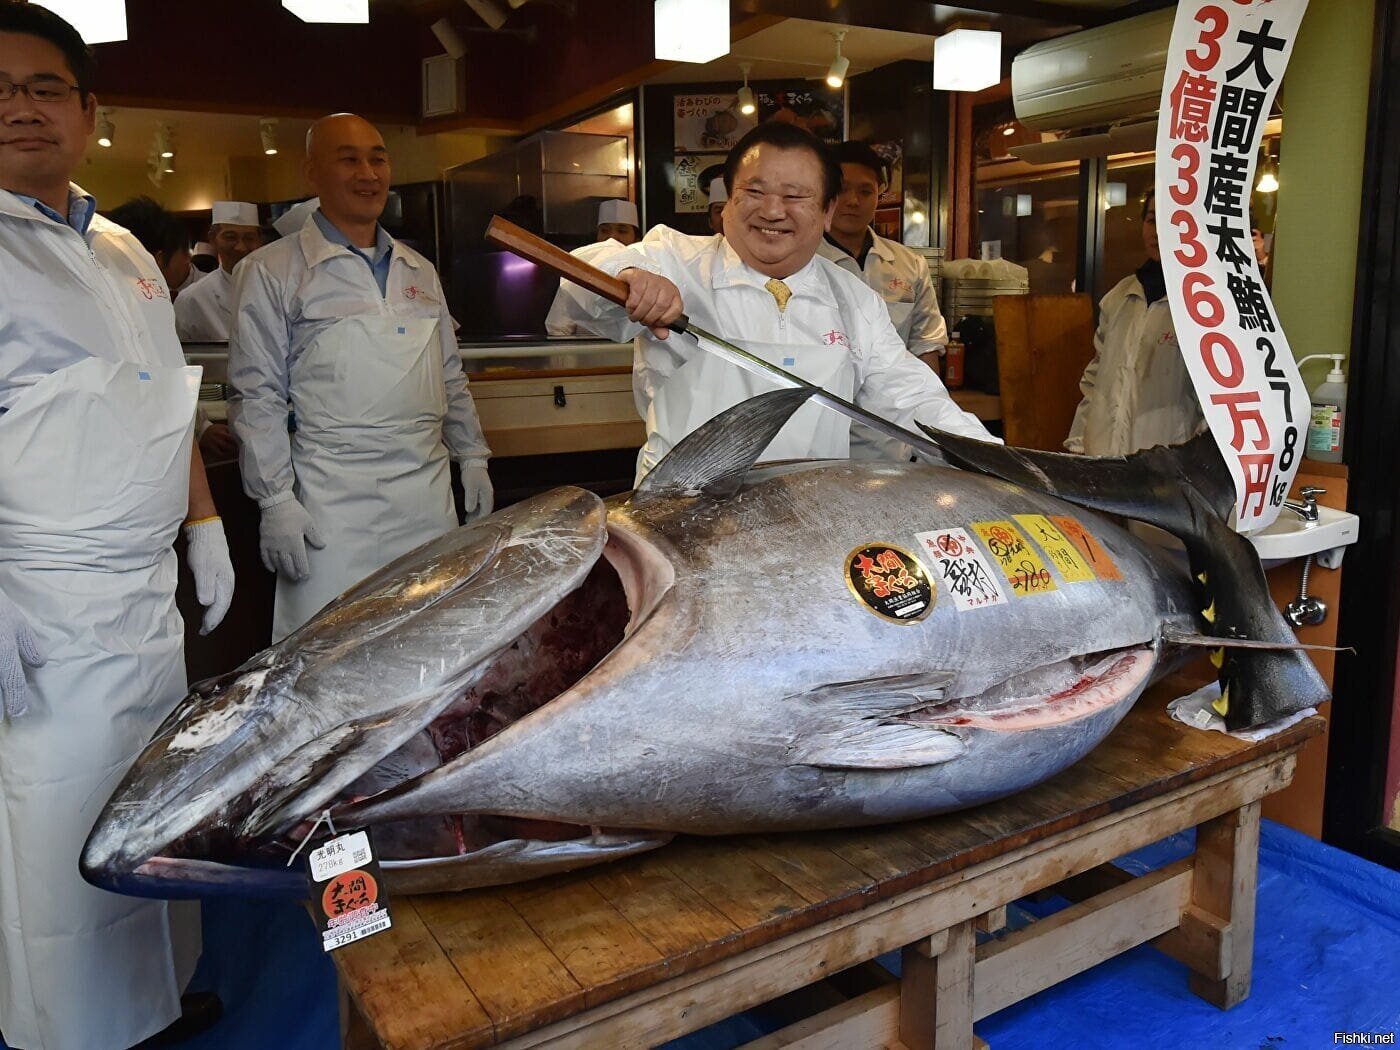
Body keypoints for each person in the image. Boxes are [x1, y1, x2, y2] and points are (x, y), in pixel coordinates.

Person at [0, 5, 233, 1048]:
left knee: (150, 804)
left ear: (88, 110)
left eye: (43, 86)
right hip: (37, 601)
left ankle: (159, 1001)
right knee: (57, 830)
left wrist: (204, 524)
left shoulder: (126, 246)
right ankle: (80, 1034)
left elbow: (161, 401)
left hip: (144, 597)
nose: (19, 108)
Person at [561, 121, 994, 482]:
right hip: (681, 512)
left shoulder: (853, 298)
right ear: (727, 202)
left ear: (826, 213)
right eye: (753, 192)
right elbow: (580, 282)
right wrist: (630, 278)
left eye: (794, 196)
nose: (771, 211)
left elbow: (912, 397)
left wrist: (997, 464)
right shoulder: (676, 258)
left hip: (808, 514)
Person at [229, 113, 492, 641]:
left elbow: (448, 374)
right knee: (329, 648)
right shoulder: (270, 270)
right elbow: (255, 394)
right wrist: (275, 500)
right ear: (312, 173)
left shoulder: (418, 269)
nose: (368, 172)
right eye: (348, 159)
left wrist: (473, 455)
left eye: (378, 157)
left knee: (426, 641)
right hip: (331, 499)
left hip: (426, 492)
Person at [818, 141, 950, 459]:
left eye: (865, 191)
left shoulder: (909, 264)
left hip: (895, 433)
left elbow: (925, 346)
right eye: (841, 190)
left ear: (881, 193)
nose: (852, 201)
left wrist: (928, 424)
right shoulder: (802, 263)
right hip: (825, 428)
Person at [1065, 190, 1204, 456]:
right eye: (1152, 220)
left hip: (1165, 462)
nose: (1157, 231)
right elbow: (1095, 380)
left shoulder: (1202, 306)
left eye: (1171, 222)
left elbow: (1213, 404)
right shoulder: (1118, 296)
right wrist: (1079, 444)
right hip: (1104, 456)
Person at [544, 198, 643, 337]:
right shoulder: (580, 269)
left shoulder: (648, 272)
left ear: (636, 239)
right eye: (605, 230)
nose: (612, 237)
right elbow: (558, 328)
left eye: (622, 231)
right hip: (587, 355)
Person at [174, 200, 264, 342]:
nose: (240, 247)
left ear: (260, 241)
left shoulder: (279, 289)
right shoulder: (192, 299)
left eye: (249, 238)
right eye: (230, 237)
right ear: (212, 239)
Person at [106, 193, 192, 298]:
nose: (189, 258)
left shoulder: (107, 289)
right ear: (159, 259)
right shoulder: (149, 301)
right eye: (184, 252)